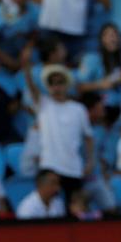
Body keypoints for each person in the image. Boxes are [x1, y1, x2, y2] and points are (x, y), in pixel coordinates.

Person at [20, 50, 94, 207]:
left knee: (74, 209)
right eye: (52, 83)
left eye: (60, 82)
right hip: (50, 167)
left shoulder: (78, 109)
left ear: (66, 84)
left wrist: (90, 162)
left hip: (73, 168)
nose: (56, 86)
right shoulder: (44, 104)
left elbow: (88, 138)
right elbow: (31, 86)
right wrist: (26, 67)